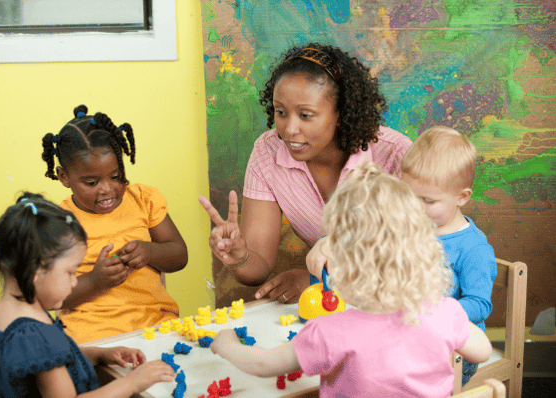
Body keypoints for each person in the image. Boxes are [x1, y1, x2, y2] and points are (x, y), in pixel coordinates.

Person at [210, 162, 493, 398]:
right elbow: (482, 351)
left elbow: (263, 364)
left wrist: (227, 346)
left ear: (345, 268)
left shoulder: (330, 331)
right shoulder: (445, 311)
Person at [199, 43, 412, 304]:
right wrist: (239, 255)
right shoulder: (267, 153)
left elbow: (416, 260)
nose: (289, 129)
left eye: (306, 115)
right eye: (280, 112)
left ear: (341, 113)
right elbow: (257, 267)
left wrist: (321, 283)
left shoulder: (395, 155)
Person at [0, 193, 176, 398]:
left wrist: (99, 355)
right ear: (36, 270)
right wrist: (133, 383)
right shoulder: (35, 333)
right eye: (71, 272)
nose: (75, 282)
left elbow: (46, 361)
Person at [41, 105, 188, 344]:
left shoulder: (144, 200)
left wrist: (150, 251)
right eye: (91, 182)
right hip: (91, 331)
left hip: (153, 321)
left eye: (116, 176)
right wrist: (94, 281)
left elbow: (180, 256)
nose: (107, 189)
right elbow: (50, 297)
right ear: (63, 176)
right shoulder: (59, 222)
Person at [400, 126, 497, 384]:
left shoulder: (473, 248)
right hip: (406, 334)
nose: (414, 208)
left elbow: (479, 305)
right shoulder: (411, 229)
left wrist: (431, 312)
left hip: (453, 352)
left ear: (462, 197)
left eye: (428, 201)